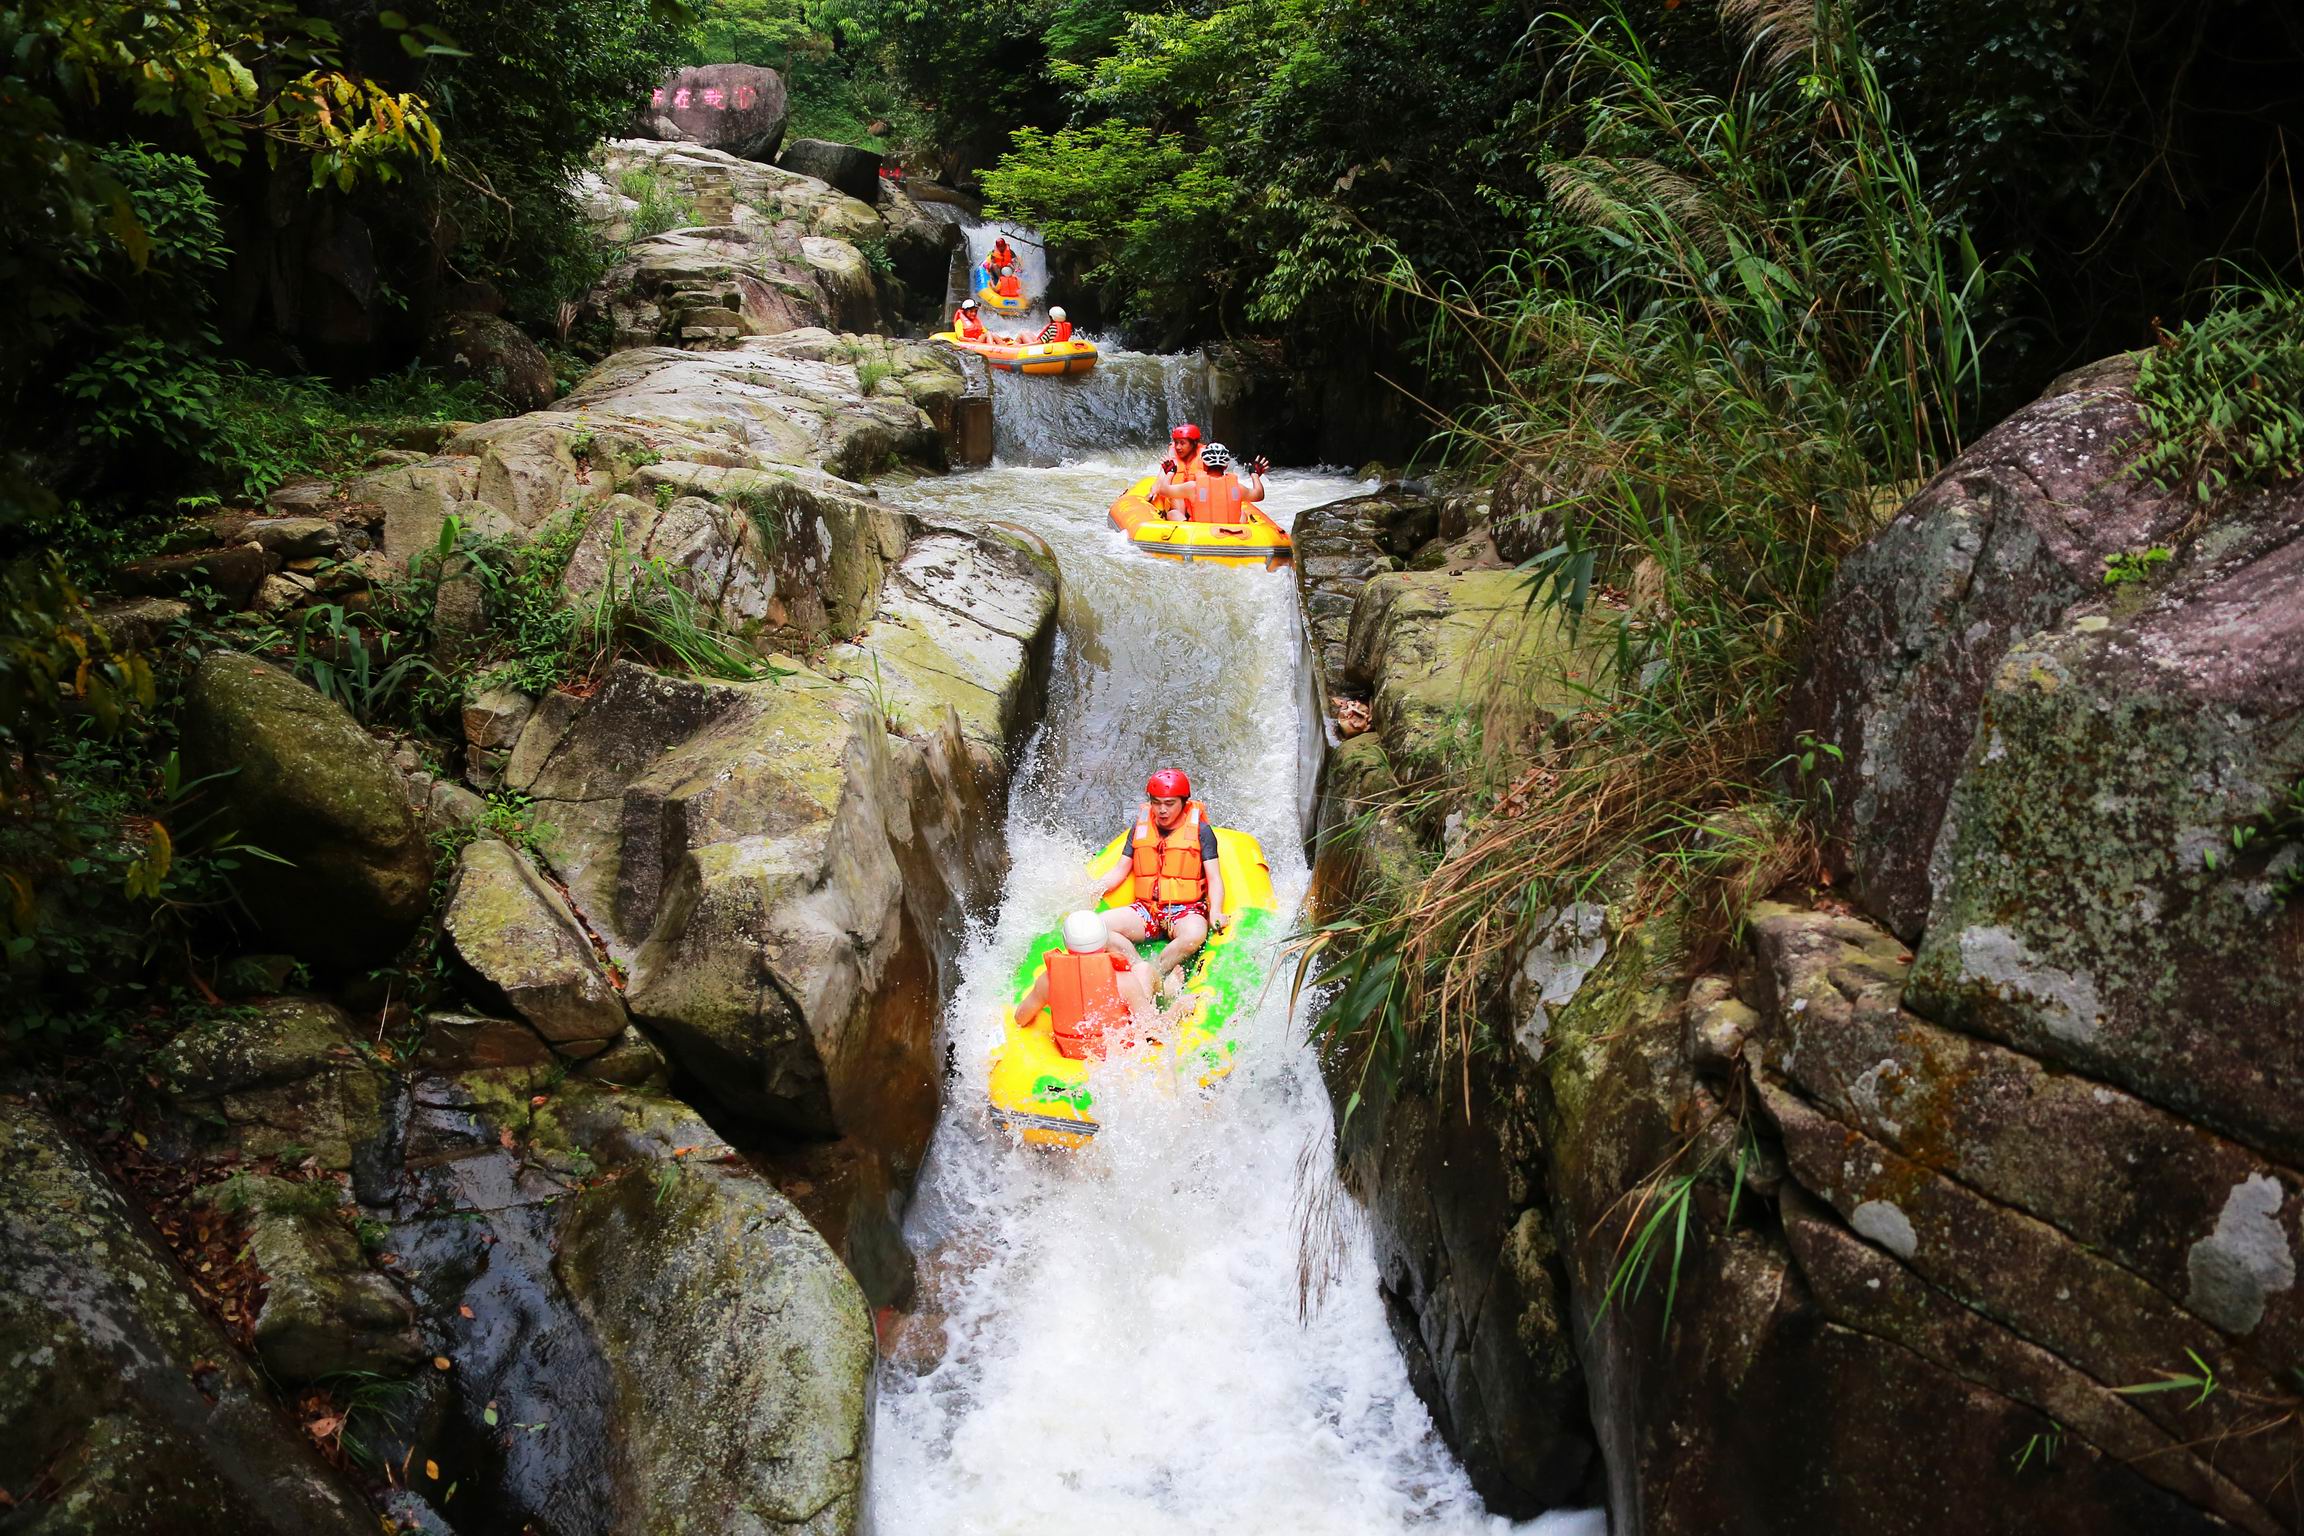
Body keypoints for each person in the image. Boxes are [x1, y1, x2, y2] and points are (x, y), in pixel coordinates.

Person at [1104, 768, 1228, 983]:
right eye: (1156, 802)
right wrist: (1092, 889)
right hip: (1146, 911)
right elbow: (1120, 870)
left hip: (1184, 910)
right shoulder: (1141, 827)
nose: (1162, 810)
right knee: (1098, 927)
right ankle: (1140, 971)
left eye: (1169, 803)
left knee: (1194, 934)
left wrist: (1216, 911)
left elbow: (1214, 878)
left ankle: (1157, 972)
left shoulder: (1201, 830)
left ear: (1183, 802)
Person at [1013, 909, 1160, 1060]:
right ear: (1104, 940)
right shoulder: (1123, 980)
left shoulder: (1048, 980)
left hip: (1071, 1053)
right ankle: (1168, 991)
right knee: (1144, 969)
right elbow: (1149, 1026)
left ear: (1066, 942)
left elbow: (1020, 1018)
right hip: (1117, 1055)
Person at [1173, 442, 1267, 523]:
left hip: (1200, 532)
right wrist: (1254, 474)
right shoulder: (1238, 488)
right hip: (1231, 532)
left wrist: (1169, 472)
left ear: (1204, 464)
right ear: (1226, 466)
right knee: (1242, 513)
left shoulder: (1193, 487)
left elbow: (1163, 490)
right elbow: (1259, 495)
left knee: (1173, 513)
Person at [1152, 424, 1205, 521]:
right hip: (1177, 505)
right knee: (1178, 496)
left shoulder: (1204, 456)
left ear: (1193, 444)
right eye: (1176, 443)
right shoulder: (1172, 456)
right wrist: (1153, 491)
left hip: (1196, 503)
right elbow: (1161, 478)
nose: (1178, 447)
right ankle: (1183, 521)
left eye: (1182, 443)